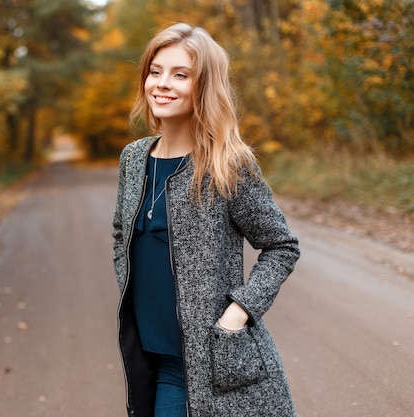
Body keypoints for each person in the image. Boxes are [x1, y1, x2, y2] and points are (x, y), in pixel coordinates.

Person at [112, 23, 301, 417]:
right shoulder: (133, 159)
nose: (162, 84)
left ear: (204, 87)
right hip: (155, 359)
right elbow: (121, 232)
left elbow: (281, 246)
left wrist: (238, 312)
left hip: (213, 364)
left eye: (180, 74)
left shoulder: (227, 165)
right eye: (155, 70)